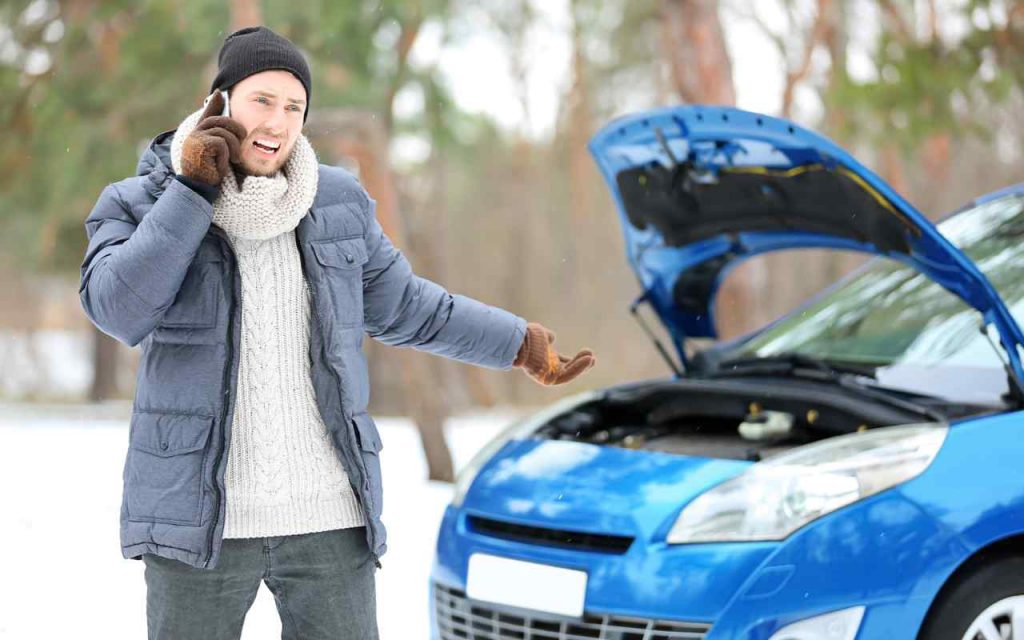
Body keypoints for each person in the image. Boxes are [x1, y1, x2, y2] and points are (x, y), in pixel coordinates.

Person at [78, 25, 596, 640]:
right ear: (220, 102)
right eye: (261, 100)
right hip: (200, 523)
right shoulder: (140, 201)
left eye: (294, 106)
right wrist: (193, 191)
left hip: (327, 515)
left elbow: (408, 306)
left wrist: (520, 343)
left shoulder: (337, 202)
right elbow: (117, 308)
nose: (277, 121)